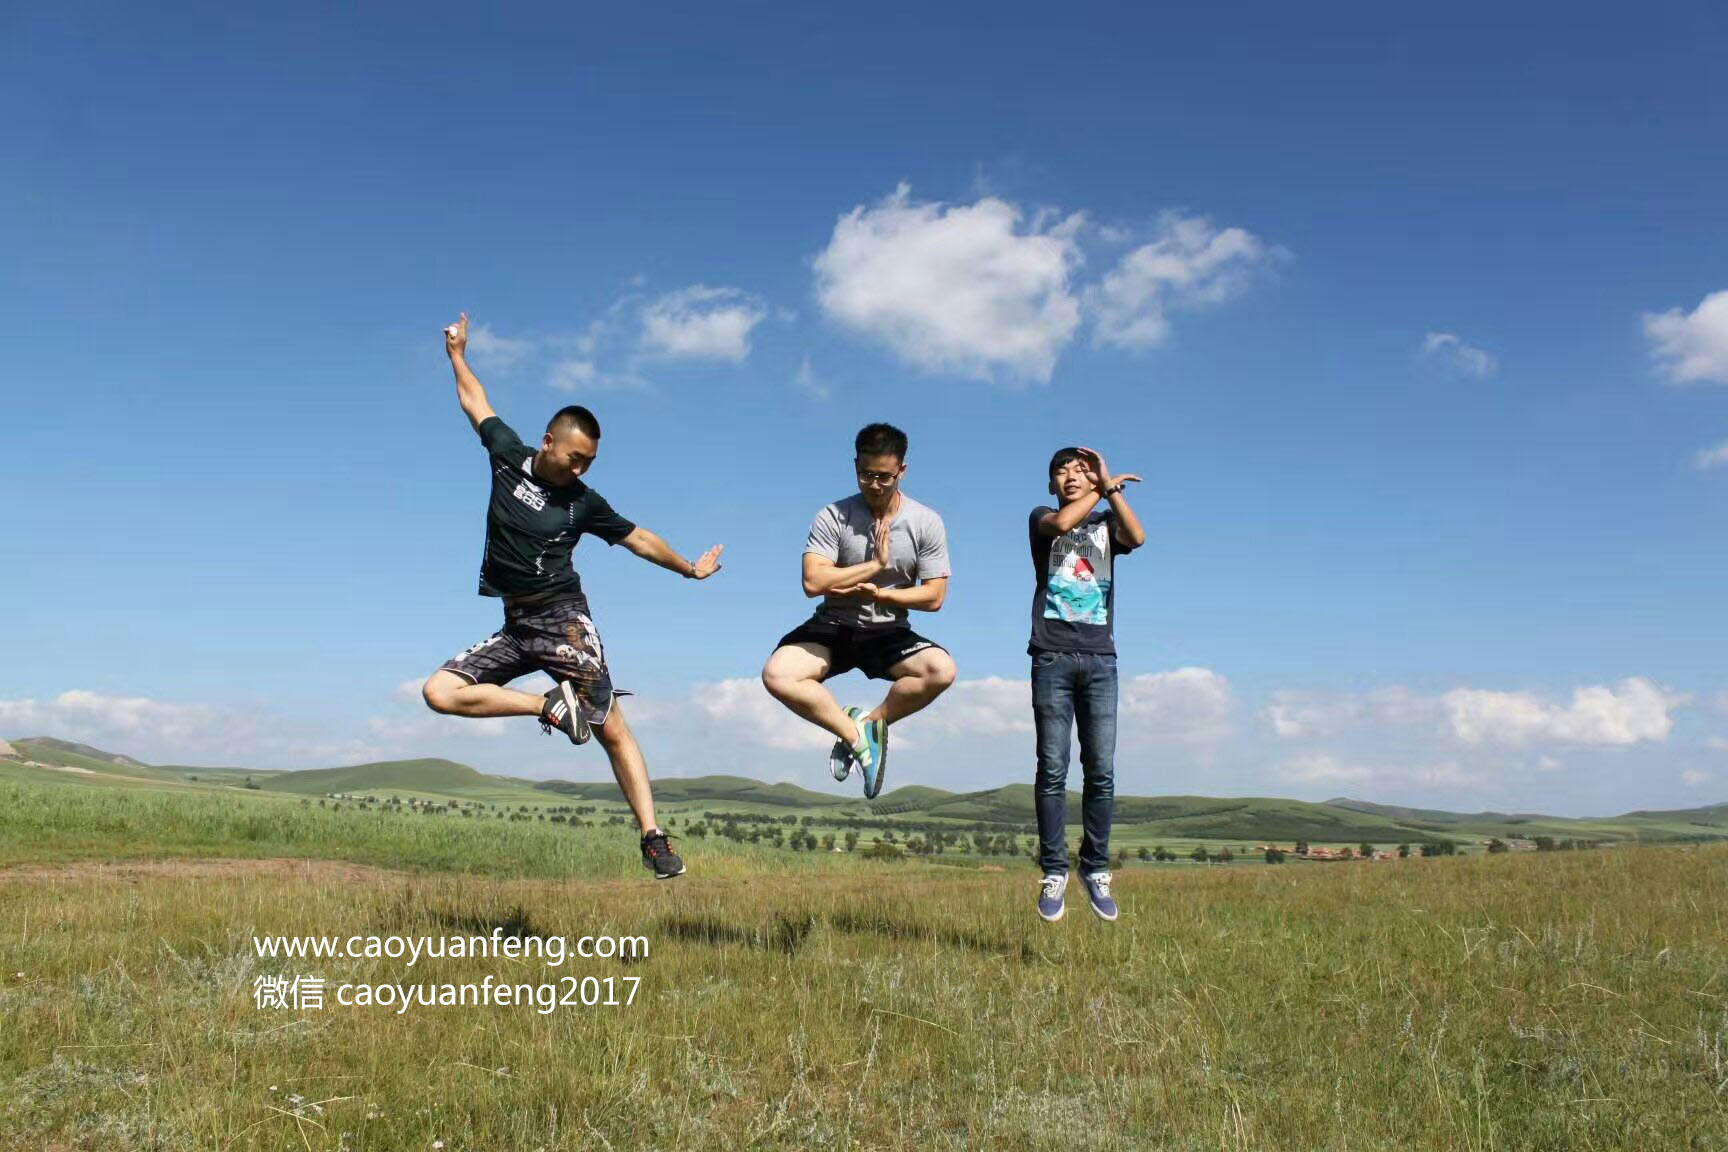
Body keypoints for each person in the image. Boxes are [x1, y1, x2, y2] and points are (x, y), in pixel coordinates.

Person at [420, 314, 723, 879]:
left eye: (588, 463)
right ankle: (547, 706)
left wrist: (687, 568)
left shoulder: (583, 502)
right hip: (515, 626)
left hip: (564, 623)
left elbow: (637, 538)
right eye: (573, 457)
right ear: (547, 441)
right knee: (439, 691)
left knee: (611, 727)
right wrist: (457, 355)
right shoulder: (508, 455)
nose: (579, 469)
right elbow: (474, 401)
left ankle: (653, 838)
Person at [760, 423, 957, 799]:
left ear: (902, 470)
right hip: (834, 625)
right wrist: (873, 565)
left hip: (888, 631)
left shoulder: (925, 522)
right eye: (866, 474)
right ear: (856, 466)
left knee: (942, 671)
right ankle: (852, 736)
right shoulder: (833, 516)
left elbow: (934, 597)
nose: (875, 484)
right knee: (777, 675)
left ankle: (868, 724)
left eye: (884, 476)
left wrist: (885, 597)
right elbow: (813, 582)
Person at [1028, 447, 1145, 921]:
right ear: (1051, 485)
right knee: (1053, 767)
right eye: (1062, 471)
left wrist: (1110, 490)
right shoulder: (1041, 517)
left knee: (1101, 770)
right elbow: (1058, 527)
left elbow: (1136, 536)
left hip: (1101, 660)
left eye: (1080, 469)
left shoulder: (1103, 525)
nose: (1072, 476)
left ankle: (1094, 868)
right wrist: (1102, 481)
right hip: (1051, 656)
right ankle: (1054, 869)